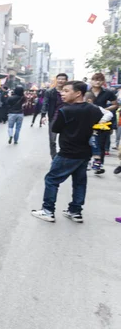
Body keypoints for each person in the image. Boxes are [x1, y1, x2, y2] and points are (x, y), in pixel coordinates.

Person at [31, 81, 104, 223]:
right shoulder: (94, 109)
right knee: (79, 182)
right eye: (62, 91)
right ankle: (75, 211)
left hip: (68, 152)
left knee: (52, 180)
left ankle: (48, 211)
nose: (62, 93)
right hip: (84, 153)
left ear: (78, 93)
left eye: (66, 91)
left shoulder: (66, 110)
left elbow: (56, 129)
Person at [89, 73, 118, 164]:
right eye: (95, 79)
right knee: (87, 141)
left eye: (100, 80)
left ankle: (98, 163)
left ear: (103, 82)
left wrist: (104, 109)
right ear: (91, 80)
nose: (97, 82)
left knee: (101, 143)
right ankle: (86, 162)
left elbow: (115, 105)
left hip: (103, 120)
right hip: (87, 119)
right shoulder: (85, 91)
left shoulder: (108, 92)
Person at [85, 91, 113, 175]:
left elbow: (109, 114)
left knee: (94, 146)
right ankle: (87, 163)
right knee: (86, 148)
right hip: (82, 132)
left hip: (93, 132)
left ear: (89, 101)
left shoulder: (97, 108)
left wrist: (102, 121)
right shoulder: (79, 107)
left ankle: (97, 163)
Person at [41, 73, 68, 159]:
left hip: (67, 118)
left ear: (66, 80)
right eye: (59, 79)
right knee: (52, 140)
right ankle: (54, 157)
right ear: (56, 80)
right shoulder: (50, 92)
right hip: (54, 117)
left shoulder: (69, 92)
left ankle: (63, 156)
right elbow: (45, 103)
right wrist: (43, 115)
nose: (61, 80)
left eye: (63, 79)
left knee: (65, 139)